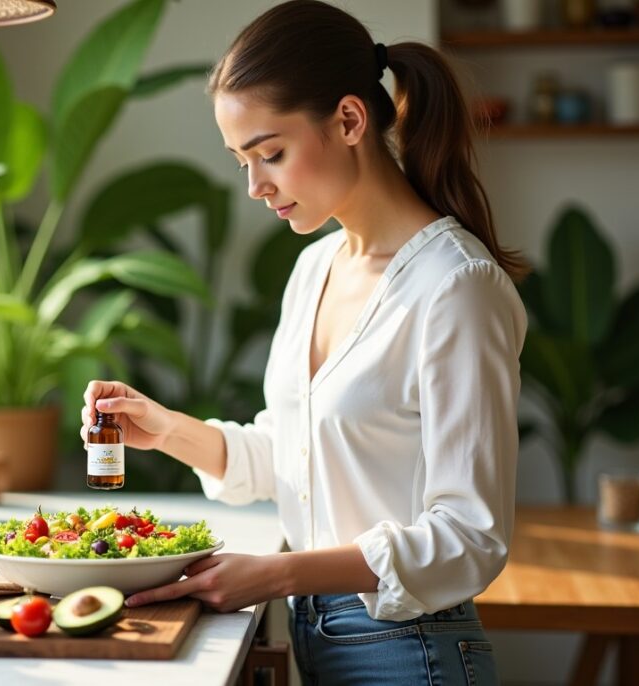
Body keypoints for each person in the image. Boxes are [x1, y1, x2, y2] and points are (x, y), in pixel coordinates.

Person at [78, 1, 528, 684]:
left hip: (411, 653)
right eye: (242, 161)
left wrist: (278, 572)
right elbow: (293, 458)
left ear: (349, 120)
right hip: (319, 642)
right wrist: (166, 429)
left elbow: (470, 536)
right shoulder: (314, 269)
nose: (255, 186)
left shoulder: (456, 286)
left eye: (271, 154)